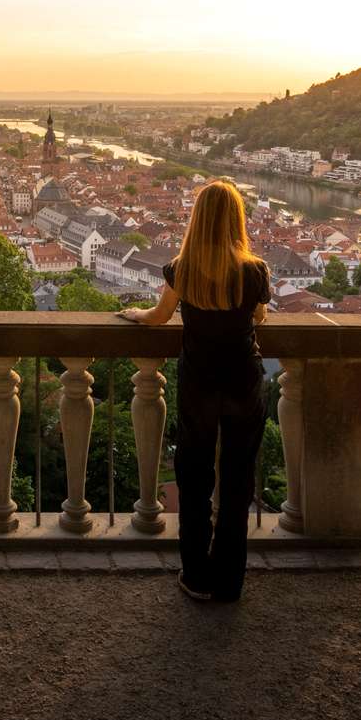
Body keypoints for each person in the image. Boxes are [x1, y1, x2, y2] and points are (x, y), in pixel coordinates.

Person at [121, 178, 271, 603]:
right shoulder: (253, 269)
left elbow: (159, 316)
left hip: (200, 384)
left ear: (198, 219)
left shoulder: (182, 268)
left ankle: (196, 573)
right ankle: (230, 580)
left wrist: (134, 314)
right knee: (238, 482)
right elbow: (260, 316)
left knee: (194, 477)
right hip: (243, 382)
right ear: (236, 219)